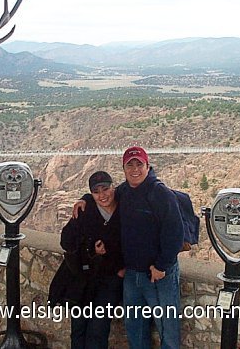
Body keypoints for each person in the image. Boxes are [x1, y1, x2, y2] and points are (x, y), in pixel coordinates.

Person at [74, 147, 184, 349]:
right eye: (130, 165)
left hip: (158, 274)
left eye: (139, 164)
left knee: (167, 329)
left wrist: (161, 266)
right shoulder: (124, 191)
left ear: (147, 166)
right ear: (123, 169)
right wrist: (86, 198)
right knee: (135, 327)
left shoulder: (160, 193)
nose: (135, 170)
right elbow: (103, 195)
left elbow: (175, 233)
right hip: (132, 275)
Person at [60, 171, 124, 349]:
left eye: (106, 189)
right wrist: (91, 250)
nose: (102, 195)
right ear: (92, 193)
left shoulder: (124, 208)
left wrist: (122, 270)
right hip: (85, 278)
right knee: (79, 327)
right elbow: (66, 241)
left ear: (113, 187)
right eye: (96, 191)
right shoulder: (85, 211)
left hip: (110, 280)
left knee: (98, 329)